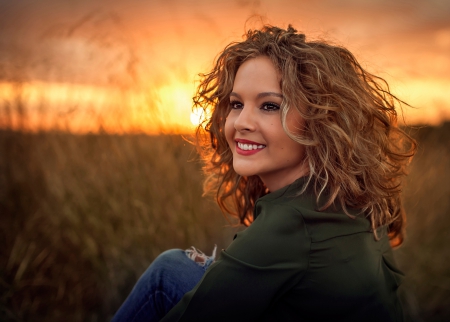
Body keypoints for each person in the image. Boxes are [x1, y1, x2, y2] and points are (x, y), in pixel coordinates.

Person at [112, 25, 416, 322]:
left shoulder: (291, 223)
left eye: (269, 106)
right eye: (236, 104)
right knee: (174, 270)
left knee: (166, 274)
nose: (242, 121)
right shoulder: (350, 194)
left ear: (320, 120)